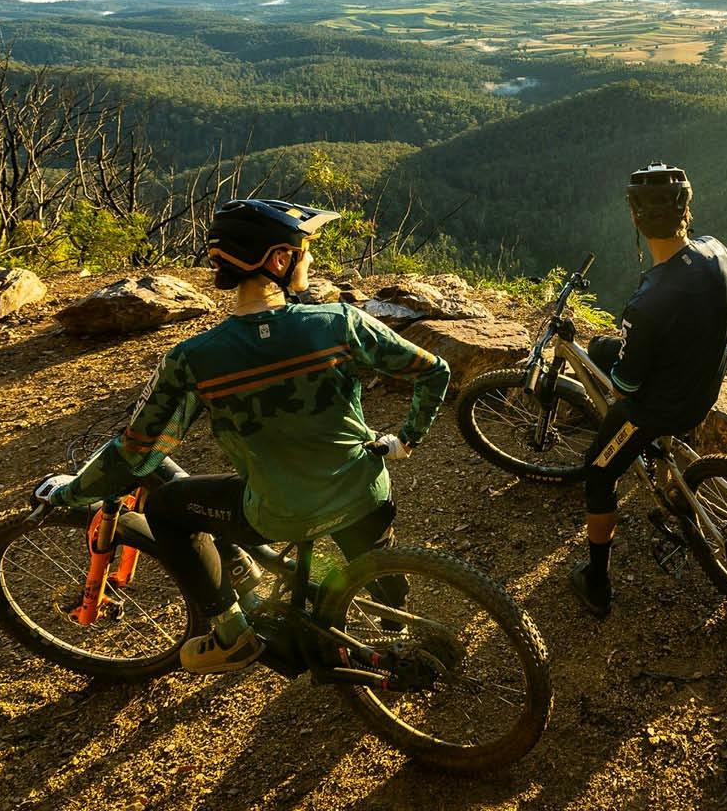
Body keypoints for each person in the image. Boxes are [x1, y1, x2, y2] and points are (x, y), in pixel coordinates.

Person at [34, 198, 450, 674]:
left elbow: (138, 454)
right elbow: (433, 371)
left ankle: (231, 632)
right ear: (277, 260)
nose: (309, 260)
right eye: (304, 251)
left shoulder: (194, 358)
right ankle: (396, 623)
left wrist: (70, 492)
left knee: (165, 508)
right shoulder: (340, 323)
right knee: (375, 555)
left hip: (279, 511)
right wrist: (405, 439)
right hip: (362, 491)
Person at [570, 163, 727, 618]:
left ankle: (597, 583)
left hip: (663, 409)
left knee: (599, 473)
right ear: (687, 208)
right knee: (604, 347)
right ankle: (654, 460)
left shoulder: (648, 301)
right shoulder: (717, 251)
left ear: (635, 219)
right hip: (705, 384)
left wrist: (626, 376)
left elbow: (625, 385)